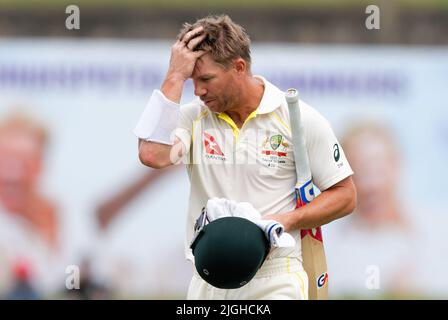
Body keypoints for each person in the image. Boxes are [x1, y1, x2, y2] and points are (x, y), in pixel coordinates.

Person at [133, 14, 356, 300]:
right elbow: (152, 154)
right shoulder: (192, 118)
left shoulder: (297, 118)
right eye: (192, 80)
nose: (198, 90)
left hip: (275, 275)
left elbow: (345, 195)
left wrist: (288, 220)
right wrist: (174, 76)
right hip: (208, 277)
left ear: (239, 67)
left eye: (206, 79)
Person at [0, 112, 62, 298]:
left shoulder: (67, 216)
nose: (12, 173)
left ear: (40, 165)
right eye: (4, 160)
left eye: (24, 161)